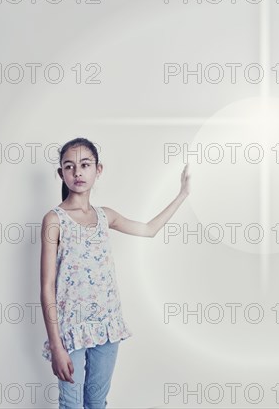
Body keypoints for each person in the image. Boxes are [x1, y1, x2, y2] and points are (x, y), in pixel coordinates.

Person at [40, 137, 190, 408]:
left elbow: (149, 229)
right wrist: (56, 345)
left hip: (108, 325)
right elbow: (47, 286)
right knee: (71, 404)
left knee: (96, 402)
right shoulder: (54, 220)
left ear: (98, 170)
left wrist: (182, 194)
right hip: (71, 329)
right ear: (61, 173)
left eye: (85, 165)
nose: (77, 172)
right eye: (69, 166)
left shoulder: (105, 216)